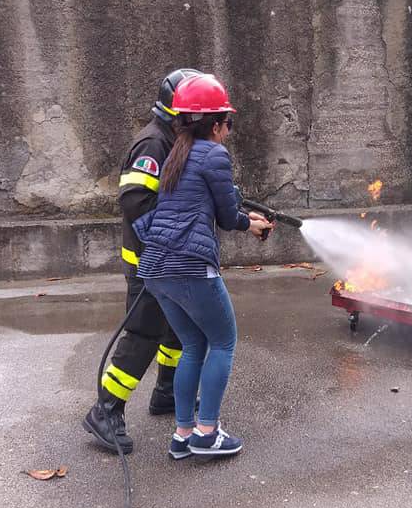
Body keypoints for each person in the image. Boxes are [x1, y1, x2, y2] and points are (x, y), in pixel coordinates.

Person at [133, 74, 273, 458]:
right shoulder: (213, 153)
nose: (229, 130)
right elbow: (227, 217)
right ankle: (207, 432)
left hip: (157, 268)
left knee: (194, 344)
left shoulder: (175, 152)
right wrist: (250, 224)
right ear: (214, 124)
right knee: (224, 342)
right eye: (228, 123)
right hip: (190, 265)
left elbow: (200, 206)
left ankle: (182, 435)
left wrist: (247, 219)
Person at [83, 68, 202, 455]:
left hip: (169, 260)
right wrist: (170, 235)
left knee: (176, 330)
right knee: (144, 335)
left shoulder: (174, 140)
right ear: (179, 112)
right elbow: (135, 201)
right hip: (148, 261)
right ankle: (105, 411)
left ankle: (166, 392)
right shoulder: (152, 144)